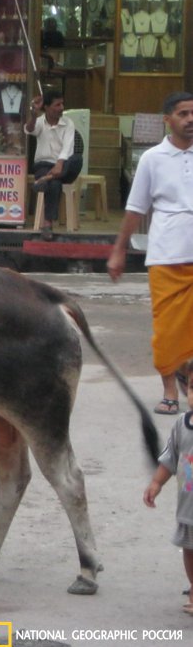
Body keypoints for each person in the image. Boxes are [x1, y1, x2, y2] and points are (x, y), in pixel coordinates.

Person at [107, 91, 193, 415]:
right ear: (167, 120)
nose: (190, 119)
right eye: (183, 114)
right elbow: (135, 208)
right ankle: (170, 390)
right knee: (167, 331)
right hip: (166, 256)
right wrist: (119, 250)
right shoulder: (152, 159)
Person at [142, 407, 193, 615]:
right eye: (192, 390)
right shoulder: (182, 424)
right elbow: (170, 457)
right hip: (189, 509)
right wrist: (156, 483)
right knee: (190, 551)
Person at [25, 89, 83, 241]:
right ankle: (47, 224)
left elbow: (68, 147)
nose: (61, 108)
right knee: (55, 184)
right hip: (43, 165)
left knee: (77, 159)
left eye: (62, 104)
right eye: (57, 105)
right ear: (46, 107)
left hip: (65, 166)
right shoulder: (40, 122)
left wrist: (59, 164)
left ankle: (45, 179)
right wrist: (33, 114)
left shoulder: (68, 123)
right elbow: (29, 130)